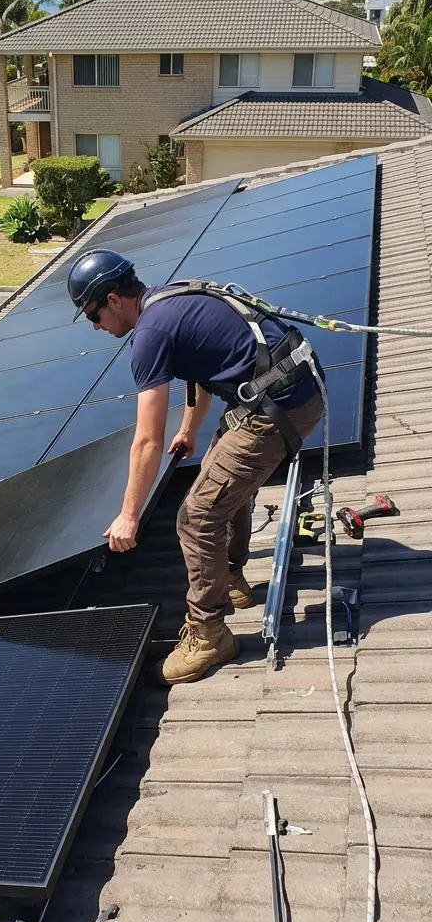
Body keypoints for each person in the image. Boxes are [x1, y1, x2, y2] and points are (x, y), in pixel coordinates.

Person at [67, 249, 323, 685]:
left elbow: (146, 440)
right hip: (286, 388)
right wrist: (189, 430)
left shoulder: (148, 335)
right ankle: (232, 576)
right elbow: (201, 376)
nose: (95, 326)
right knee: (220, 477)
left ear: (113, 299)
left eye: (93, 314)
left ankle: (208, 634)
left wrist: (129, 515)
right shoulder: (172, 297)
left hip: (278, 405)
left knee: (197, 515)